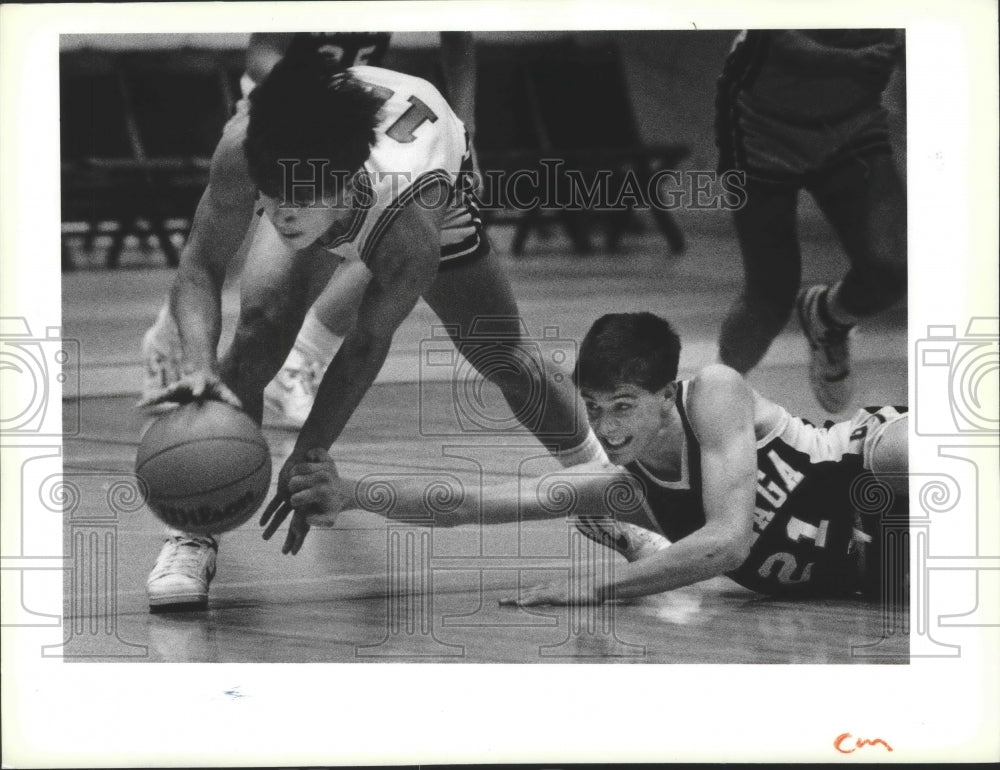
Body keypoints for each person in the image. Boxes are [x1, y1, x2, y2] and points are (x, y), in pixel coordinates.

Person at [140, 49, 628, 611]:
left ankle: (607, 491)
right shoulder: (249, 146)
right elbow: (199, 266)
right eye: (270, 196)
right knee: (259, 328)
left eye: (298, 199)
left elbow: (367, 344)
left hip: (422, 168)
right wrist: (200, 369)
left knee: (504, 358)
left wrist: (309, 451)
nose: (280, 214)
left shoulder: (412, 218)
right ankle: (192, 533)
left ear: (345, 183)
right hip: (327, 150)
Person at [277, 312, 909, 605]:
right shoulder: (619, 490)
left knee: (910, 452)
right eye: (594, 407)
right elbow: (471, 503)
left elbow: (727, 544)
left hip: (861, 475)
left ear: (666, 396)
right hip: (872, 571)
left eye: (625, 406)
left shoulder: (714, 392)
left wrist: (597, 585)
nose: (606, 428)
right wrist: (353, 492)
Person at [142, 31, 478, 428]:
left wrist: (467, 126)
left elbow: (456, 36)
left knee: (378, 241)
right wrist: (320, 100)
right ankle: (176, 343)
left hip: (349, 118)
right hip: (284, 114)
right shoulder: (248, 143)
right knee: (250, 291)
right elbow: (262, 54)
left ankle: (305, 354)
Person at [715, 29, 907, 413]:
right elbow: (771, 33)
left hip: (853, 120)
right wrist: (849, 62)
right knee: (770, 295)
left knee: (893, 270)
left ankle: (827, 319)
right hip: (760, 118)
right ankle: (711, 400)